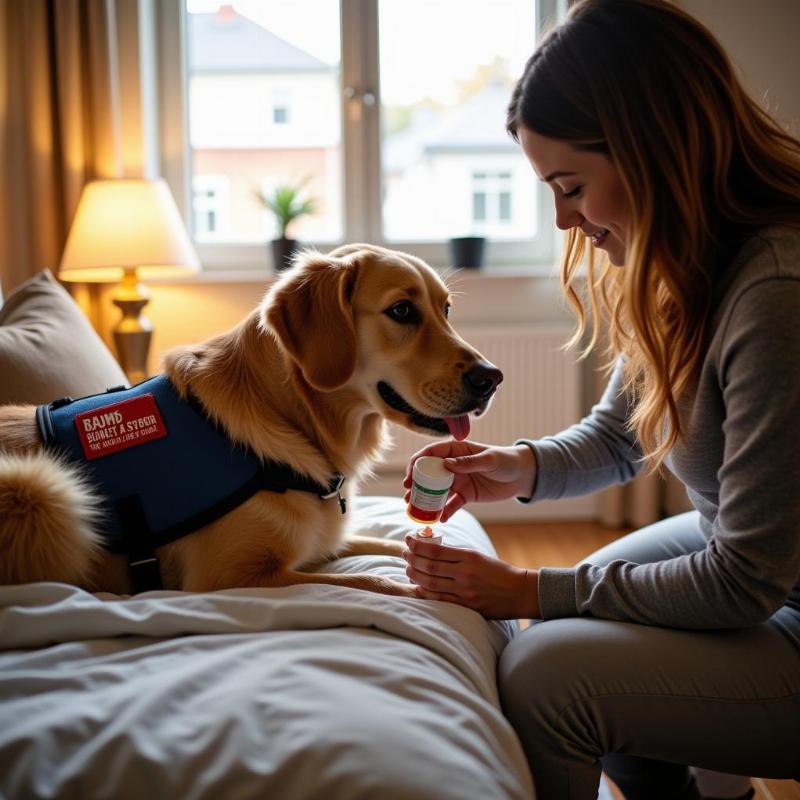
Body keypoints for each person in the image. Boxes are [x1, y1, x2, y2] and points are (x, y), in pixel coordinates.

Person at [401, 1, 800, 798]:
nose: (564, 219)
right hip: (755, 556)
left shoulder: (777, 294)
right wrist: (511, 469)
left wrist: (525, 590)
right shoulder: (688, 258)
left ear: (653, 150)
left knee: (549, 677)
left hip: (775, 586)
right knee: (577, 612)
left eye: (571, 186)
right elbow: (621, 436)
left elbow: (744, 581)